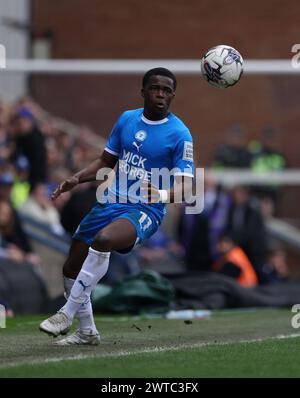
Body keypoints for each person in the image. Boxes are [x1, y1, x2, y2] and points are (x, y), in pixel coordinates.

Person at [39, 68, 194, 345]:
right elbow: (104, 163)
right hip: (111, 201)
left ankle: (66, 314)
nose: (160, 94)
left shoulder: (180, 134)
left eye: (166, 90)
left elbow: (187, 186)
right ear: (143, 91)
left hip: (145, 210)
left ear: (173, 96)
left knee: (104, 240)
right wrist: (76, 178)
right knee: (71, 266)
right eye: (155, 88)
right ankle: (86, 331)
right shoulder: (127, 120)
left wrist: (159, 195)